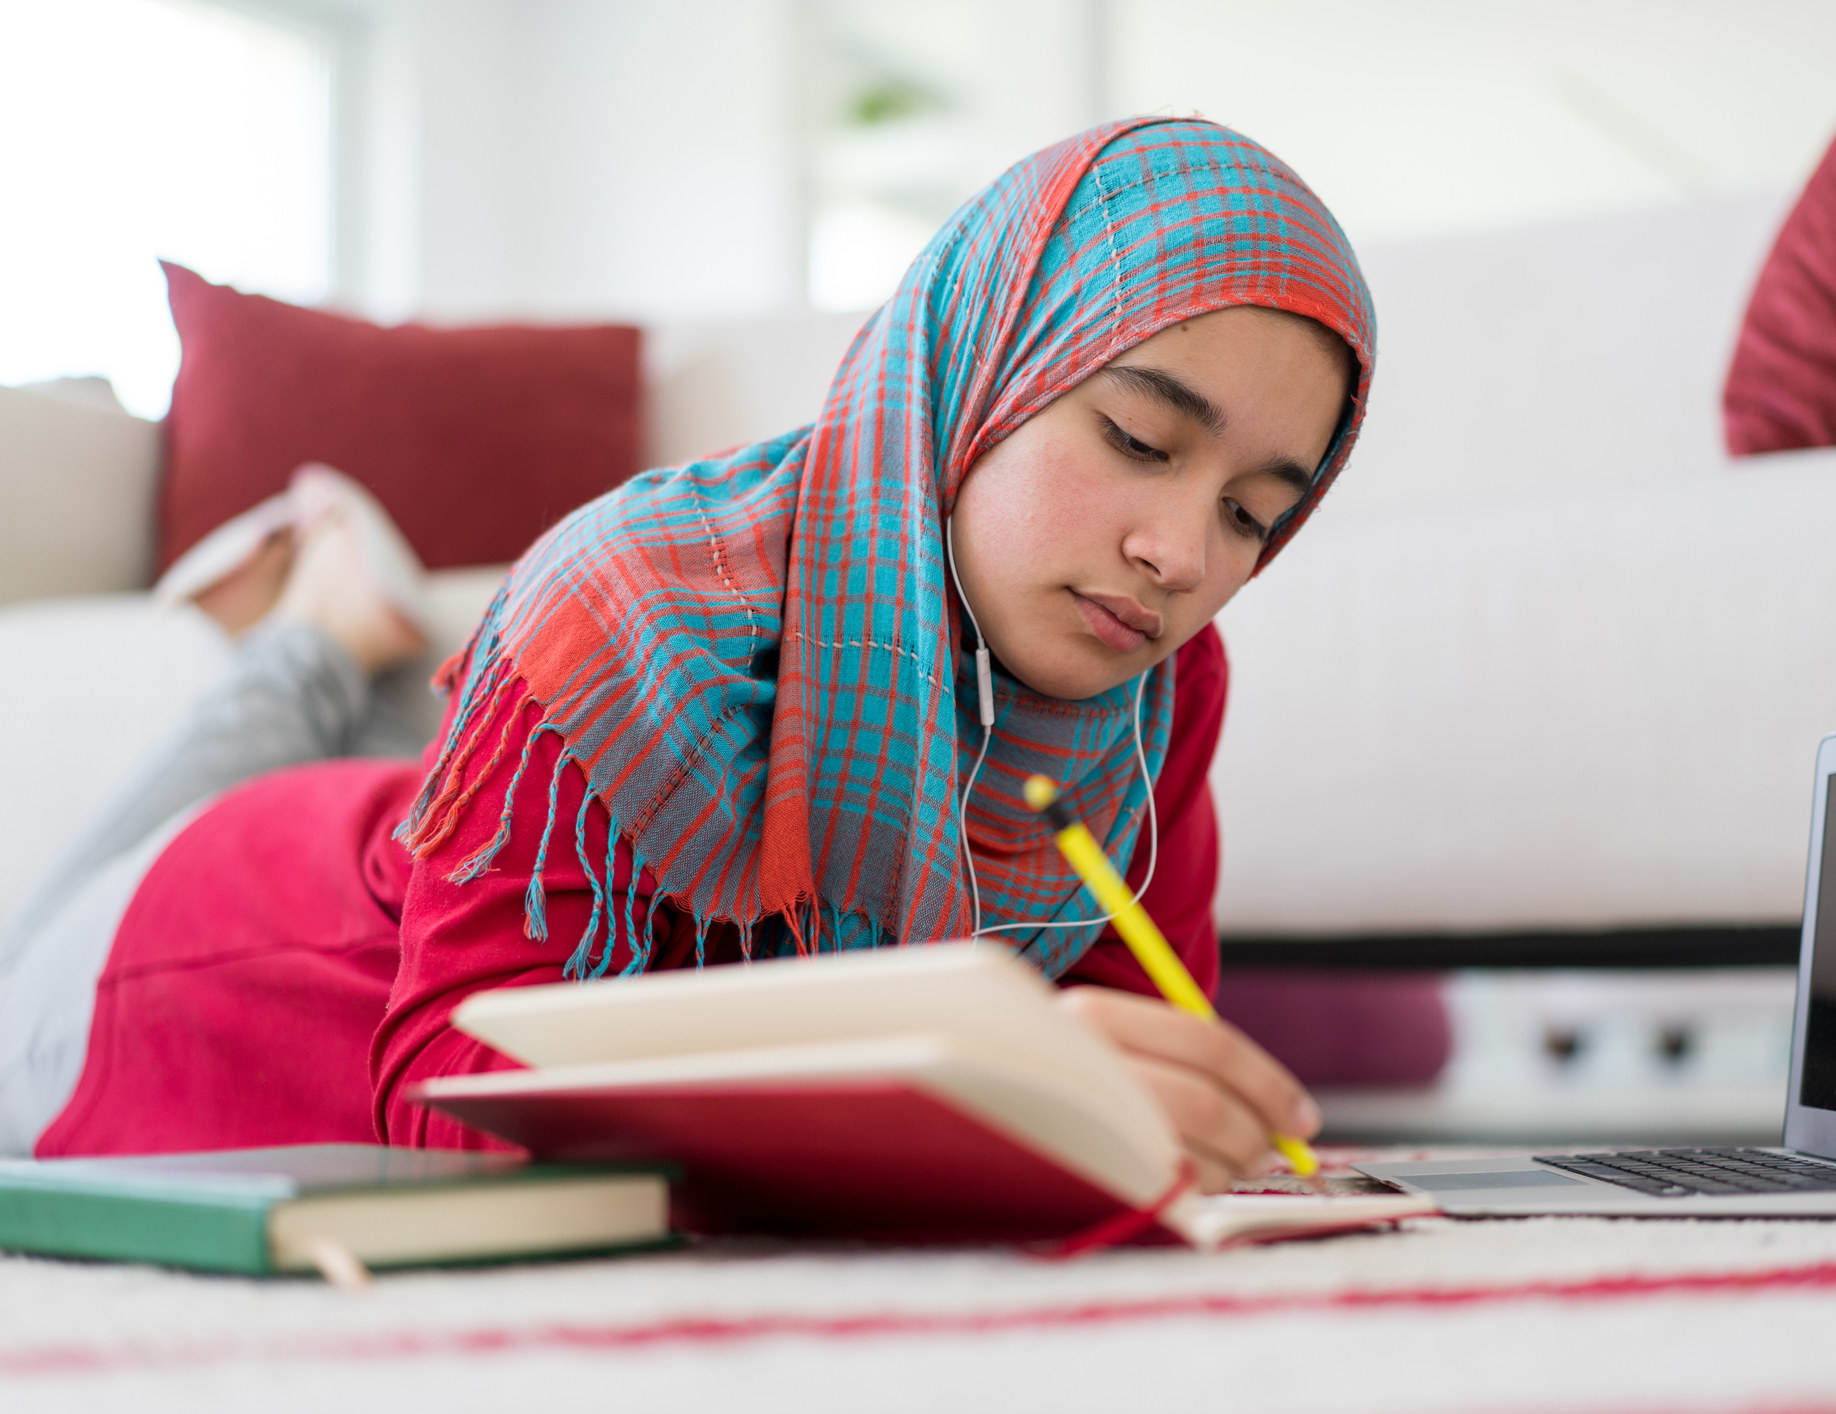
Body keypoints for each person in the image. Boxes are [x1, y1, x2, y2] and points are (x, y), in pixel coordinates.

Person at [0, 117, 1375, 1196]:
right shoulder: (624, 608)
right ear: (979, 368)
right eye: (1140, 440)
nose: (1185, 556)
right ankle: (313, 633)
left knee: (411, 792)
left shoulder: (1158, 685)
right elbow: (439, 1094)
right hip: (189, 967)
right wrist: (938, 1105)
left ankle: (326, 638)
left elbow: (1135, 1081)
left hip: (396, 847)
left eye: (1257, 513)